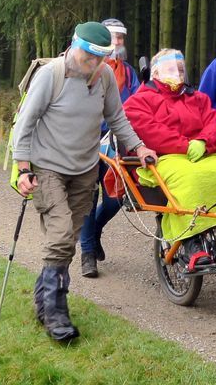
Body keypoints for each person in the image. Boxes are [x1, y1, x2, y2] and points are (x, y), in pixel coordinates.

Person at [12, 21, 157, 341]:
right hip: (48, 167)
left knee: (67, 240)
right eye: (87, 57)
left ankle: (43, 297)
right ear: (75, 47)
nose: (92, 64)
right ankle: (55, 312)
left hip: (85, 170)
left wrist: (139, 146)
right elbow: (26, 123)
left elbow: (117, 118)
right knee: (61, 234)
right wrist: (23, 169)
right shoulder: (51, 76)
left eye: (98, 59)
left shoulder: (104, 76)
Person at [123, 48, 216, 268]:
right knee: (189, 179)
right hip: (165, 157)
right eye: (170, 69)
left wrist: (204, 141)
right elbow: (150, 130)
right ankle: (192, 243)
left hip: (202, 153)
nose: (177, 73)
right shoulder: (140, 100)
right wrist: (186, 145)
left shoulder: (198, 98)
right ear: (155, 73)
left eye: (181, 69)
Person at [79, 18, 140, 278]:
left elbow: (137, 102)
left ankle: (94, 231)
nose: (117, 42)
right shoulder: (88, 70)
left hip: (117, 143)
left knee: (116, 198)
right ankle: (88, 254)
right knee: (88, 198)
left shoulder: (128, 72)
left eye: (121, 38)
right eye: (113, 37)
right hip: (90, 142)